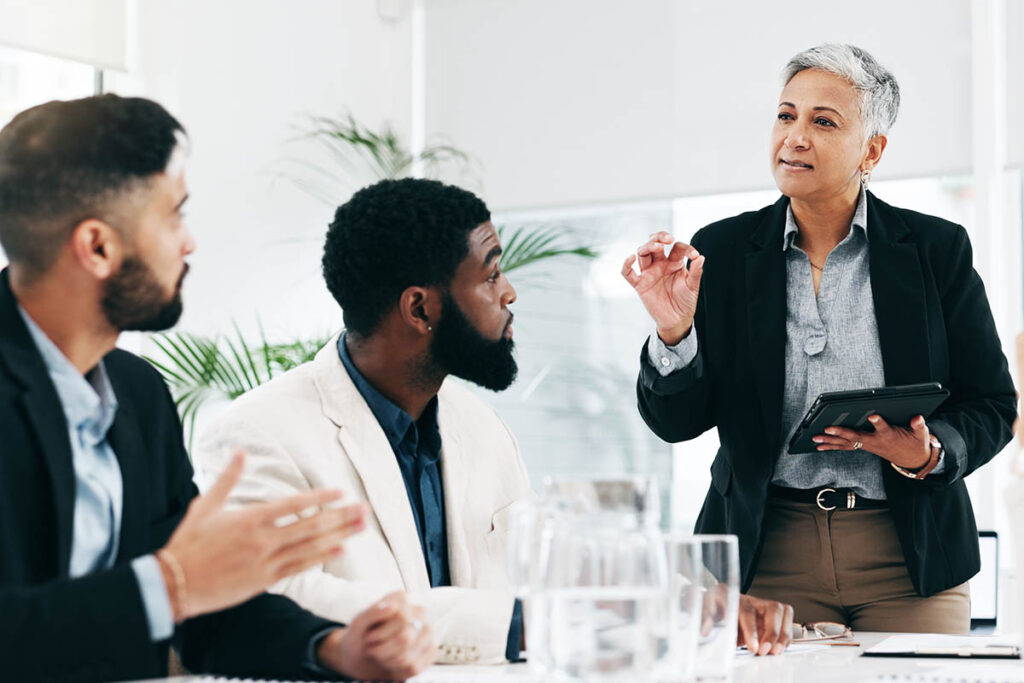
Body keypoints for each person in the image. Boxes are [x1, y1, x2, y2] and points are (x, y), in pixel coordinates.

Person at [196, 177, 795, 660]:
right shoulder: (259, 435)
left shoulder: (476, 425)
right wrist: (524, 625)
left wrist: (693, 602)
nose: (510, 293)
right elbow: (282, 600)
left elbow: (554, 563)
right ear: (420, 308)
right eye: (490, 275)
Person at [0, 94, 434, 682]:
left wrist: (335, 649)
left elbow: (202, 612)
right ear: (98, 247)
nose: (189, 243)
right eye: (173, 214)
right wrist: (167, 585)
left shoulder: (137, 394)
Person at [623, 43, 1015, 634]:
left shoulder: (937, 250)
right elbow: (676, 424)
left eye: (823, 121)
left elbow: (993, 404)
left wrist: (929, 452)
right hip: (764, 553)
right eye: (786, 115)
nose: (795, 137)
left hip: (908, 556)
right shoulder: (724, 252)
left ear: (872, 150)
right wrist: (673, 330)